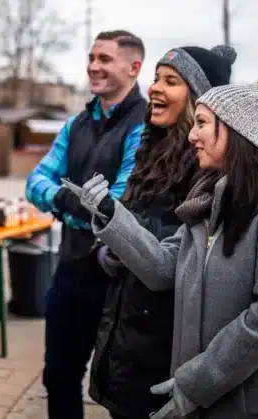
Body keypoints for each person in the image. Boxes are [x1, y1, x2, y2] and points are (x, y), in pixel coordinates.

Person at [68, 83, 258, 419]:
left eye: (202, 123)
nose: (191, 136)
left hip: (256, 406)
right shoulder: (208, 202)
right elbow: (161, 269)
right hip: (205, 400)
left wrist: (197, 383)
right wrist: (109, 213)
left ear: (237, 130)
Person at [89, 45, 236, 419]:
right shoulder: (150, 150)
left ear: (200, 100)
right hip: (127, 328)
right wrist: (107, 247)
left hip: (165, 341)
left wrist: (123, 235)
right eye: (156, 78)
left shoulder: (207, 166)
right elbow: (132, 219)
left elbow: (178, 253)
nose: (154, 88)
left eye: (171, 81)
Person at [25, 30, 147, 419]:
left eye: (105, 59)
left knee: (116, 388)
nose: (93, 66)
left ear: (134, 67)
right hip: (70, 269)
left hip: (117, 278)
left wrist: (67, 202)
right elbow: (35, 182)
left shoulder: (144, 125)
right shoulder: (76, 124)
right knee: (58, 376)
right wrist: (69, 200)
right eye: (92, 57)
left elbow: (117, 205)